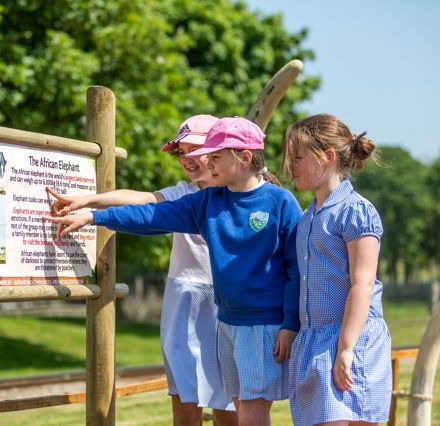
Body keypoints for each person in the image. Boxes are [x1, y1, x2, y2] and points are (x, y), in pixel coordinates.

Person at [45, 116, 302, 425]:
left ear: (244, 157)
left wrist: (290, 324)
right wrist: (93, 216)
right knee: (233, 405)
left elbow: (295, 268)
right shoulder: (204, 201)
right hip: (228, 321)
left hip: (261, 324)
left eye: (213, 155)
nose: (202, 161)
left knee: (250, 411)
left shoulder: (280, 202)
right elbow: (150, 213)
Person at [281, 113, 392, 426]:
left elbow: (363, 285)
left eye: (297, 157)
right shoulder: (307, 217)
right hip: (314, 342)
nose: (291, 167)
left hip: (351, 341)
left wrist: (346, 349)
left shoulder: (356, 211)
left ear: (327, 157)